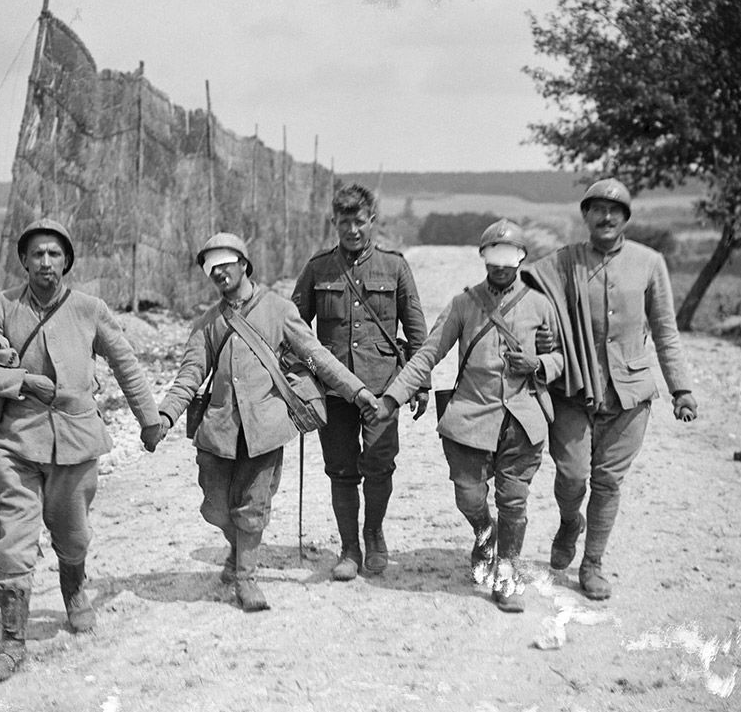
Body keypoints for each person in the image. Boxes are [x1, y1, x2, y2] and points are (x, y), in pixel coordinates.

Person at [0, 218, 164, 682]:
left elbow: (126, 362)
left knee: (73, 536)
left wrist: (148, 420)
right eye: (37, 254)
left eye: (54, 254)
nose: (45, 262)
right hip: (15, 446)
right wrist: (20, 381)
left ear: (67, 261)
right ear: (24, 261)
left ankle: (74, 590)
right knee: (14, 542)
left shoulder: (89, 308)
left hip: (76, 444)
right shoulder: (1, 307)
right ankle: (12, 642)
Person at [155, 233, 380, 612]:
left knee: (253, 506)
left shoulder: (278, 310)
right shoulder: (207, 323)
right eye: (211, 266)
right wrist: (164, 415)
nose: (218, 271)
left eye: (225, 261)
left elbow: (315, 356)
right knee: (215, 507)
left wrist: (357, 392)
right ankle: (238, 547)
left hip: (265, 428)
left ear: (244, 263)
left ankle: (246, 579)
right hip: (221, 429)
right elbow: (190, 375)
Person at [372, 219, 563, 612]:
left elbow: (560, 357)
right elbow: (428, 353)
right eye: (493, 255)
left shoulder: (540, 305)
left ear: (521, 259)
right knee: (469, 497)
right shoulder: (464, 304)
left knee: (514, 501)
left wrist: (540, 363)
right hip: (471, 416)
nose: (501, 264)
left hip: (522, 419)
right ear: (483, 257)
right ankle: (484, 532)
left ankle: (506, 575)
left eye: (509, 256)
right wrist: (393, 396)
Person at [522, 178, 698, 601]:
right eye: (597, 209)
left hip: (630, 395)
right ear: (585, 215)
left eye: (615, 211)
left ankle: (593, 563)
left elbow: (666, 332)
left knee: (607, 483)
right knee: (572, 475)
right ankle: (569, 522)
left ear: (625, 218)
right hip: (572, 389)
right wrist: (544, 340)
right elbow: (536, 310)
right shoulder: (562, 264)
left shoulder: (650, 263)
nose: (606, 217)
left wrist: (682, 389)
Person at [291, 184, 429, 581]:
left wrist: (420, 385)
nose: (352, 229)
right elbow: (294, 328)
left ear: (372, 221)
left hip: (383, 389)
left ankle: (374, 533)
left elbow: (417, 331)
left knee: (380, 466)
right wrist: (295, 379)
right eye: (344, 222)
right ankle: (349, 546)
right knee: (340, 470)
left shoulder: (395, 267)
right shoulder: (318, 269)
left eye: (359, 221)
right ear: (334, 223)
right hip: (333, 390)